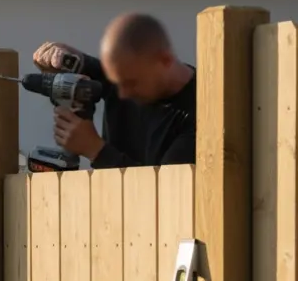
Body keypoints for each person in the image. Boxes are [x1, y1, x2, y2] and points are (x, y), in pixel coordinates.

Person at [32, 12, 196, 168]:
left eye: (131, 83)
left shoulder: (202, 115)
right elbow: (90, 67)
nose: (123, 93)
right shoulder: (128, 75)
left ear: (165, 60)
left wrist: (95, 149)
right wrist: (60, 57)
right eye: (116, 81)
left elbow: (166, 191)